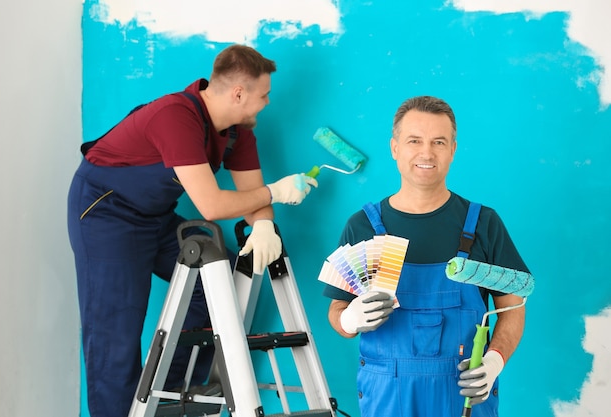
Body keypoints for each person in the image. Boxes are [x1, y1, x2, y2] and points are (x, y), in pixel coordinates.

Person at [67, 44, 318, 417]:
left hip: (154, 217)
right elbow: (212, 206)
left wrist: (264, 224)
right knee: (114, 335)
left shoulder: (236, 131)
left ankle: (168, 393)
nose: (266, 103)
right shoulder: (175, 116)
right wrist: (276, 193)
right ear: (238, 94)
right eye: (263, 95)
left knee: (219, 277)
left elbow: (253, 193)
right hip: (107, 216)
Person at [323, 95, 529, 417]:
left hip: (464, 398)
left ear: (453, 150)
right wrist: (349, 318)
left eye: (438, 142)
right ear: (395, 148)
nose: (426, 152)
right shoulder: (362, 227)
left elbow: (513, 308)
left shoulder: (483, 224)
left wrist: (494, 361)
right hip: (387, 399)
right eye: (414, 141)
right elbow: (337, 312)